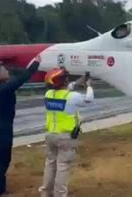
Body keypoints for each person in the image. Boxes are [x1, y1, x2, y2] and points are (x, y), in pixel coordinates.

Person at [0, 56, 41, 196]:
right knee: (2, 159)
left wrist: (6, 65)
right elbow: (24, 76)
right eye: (5, 70)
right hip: (3, 128)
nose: (7, 72)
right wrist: (35, 63)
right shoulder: (5, 88)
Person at [39, 68, 94, 197]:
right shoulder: (72, 96)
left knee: (50, 164)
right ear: (64, 80)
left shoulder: (48, 94)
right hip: (66, 137)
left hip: (50, 135)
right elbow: (89, 99)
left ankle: (46, 193)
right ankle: (59, 194)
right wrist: (89, 86)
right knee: (63, 167)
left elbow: (65, 89)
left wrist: (77, 82)